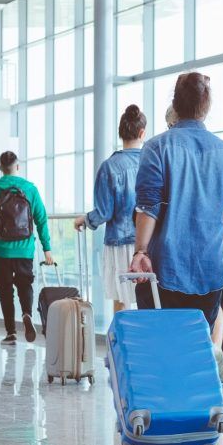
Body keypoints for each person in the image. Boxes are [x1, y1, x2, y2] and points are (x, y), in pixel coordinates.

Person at [130, 72, 223, 329]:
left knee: (161, 347)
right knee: (197, 347)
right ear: (207, 107)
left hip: (164, 268)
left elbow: (149, 206)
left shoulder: (157, 147)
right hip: (211, 269)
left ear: (176, 104)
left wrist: (140, 251)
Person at [0, 151, 55, 346]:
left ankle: (11, 332)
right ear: (17, 167)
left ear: (1, 168)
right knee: (25, 285)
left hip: (0, 249)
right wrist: (47, 248)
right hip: (25, 249)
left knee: (5, 290)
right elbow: (41, 219)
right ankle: (27, 313)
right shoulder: (29, 189)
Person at [75, 104, 147, 315]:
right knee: (146, 298)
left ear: (121, 133)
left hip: (119, 243)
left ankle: (121, 346)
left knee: (121, 302)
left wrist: (86, 220)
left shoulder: (110, 166)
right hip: (147, 243)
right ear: (142, 133)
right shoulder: (151, 162)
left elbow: (104, 211)